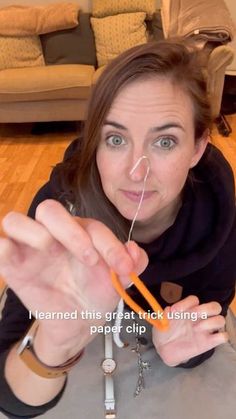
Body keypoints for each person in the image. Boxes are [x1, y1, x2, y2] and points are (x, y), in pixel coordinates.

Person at [0, 39, 235, 419]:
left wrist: (179, 348)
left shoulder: (220, 221)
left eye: (164, 141)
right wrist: (55, 343)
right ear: (95, 144)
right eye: (115, 139)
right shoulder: (64, 207)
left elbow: (209, 321)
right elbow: (9, 394)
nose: (136, 171)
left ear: (196, 148)